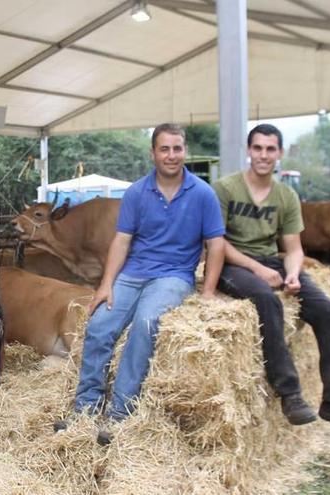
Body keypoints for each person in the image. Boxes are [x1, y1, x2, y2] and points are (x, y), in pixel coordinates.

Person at [55, 123, 226, 445]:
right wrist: (106, 284)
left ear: (184, 151)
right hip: (132, 274)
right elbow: (122, 241)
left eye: (177, 148)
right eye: (165, 149)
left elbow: (216, 244)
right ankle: (85, 409)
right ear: (153, 153)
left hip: (173, 276)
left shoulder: (203, 193)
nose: (171, 155)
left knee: (146, 324)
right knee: (100, 325)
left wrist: (207, 291)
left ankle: (120, 414)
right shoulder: (136, 192)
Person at [212, 124, 330, 435]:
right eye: (257, 148)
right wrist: (258, 270)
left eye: (270, 149)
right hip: (233, 264)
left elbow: (293, 248)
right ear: (249, 151)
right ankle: (290, 394)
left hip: (272, 260)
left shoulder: (286, 195)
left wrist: (291, 273)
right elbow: (217, 244)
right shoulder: (226, 189)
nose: (263, 155)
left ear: (280, 154)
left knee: (329, 313)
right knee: (266, 299)